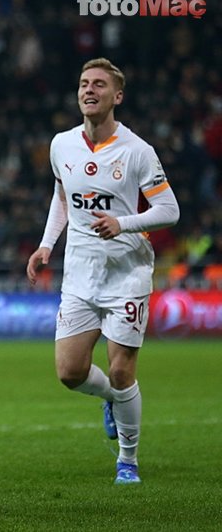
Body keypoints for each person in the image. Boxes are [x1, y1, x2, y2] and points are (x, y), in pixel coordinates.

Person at [26, 58, 180, 485]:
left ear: (117, 96)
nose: (88, 90)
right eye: (83, 83)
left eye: (98, 84)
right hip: (79, 273)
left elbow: (170, 210)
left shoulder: (137, 151)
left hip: (127, 273)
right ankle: (112, 400)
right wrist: (45, 245)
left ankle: (127, 460)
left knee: (121, 370)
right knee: (69, 372)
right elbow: (62, 199)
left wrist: (122, 223)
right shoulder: (62, 145)